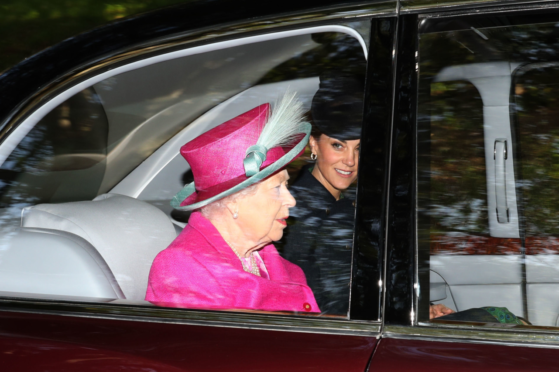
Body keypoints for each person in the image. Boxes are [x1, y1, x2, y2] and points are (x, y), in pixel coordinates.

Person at [278, 76, 456, 319]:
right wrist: (402, 313)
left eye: (359, 148)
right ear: (314, 145)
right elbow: (321, 305)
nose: (351, 161)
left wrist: (420, 307)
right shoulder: (296, 212)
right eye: (338, 146)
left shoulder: (350, 202)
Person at [146, 93, 320, 313]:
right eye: (277, 188)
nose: (291, 200)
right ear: (232, 202)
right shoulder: (182, 267)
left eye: (286, 186)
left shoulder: (272, 262)